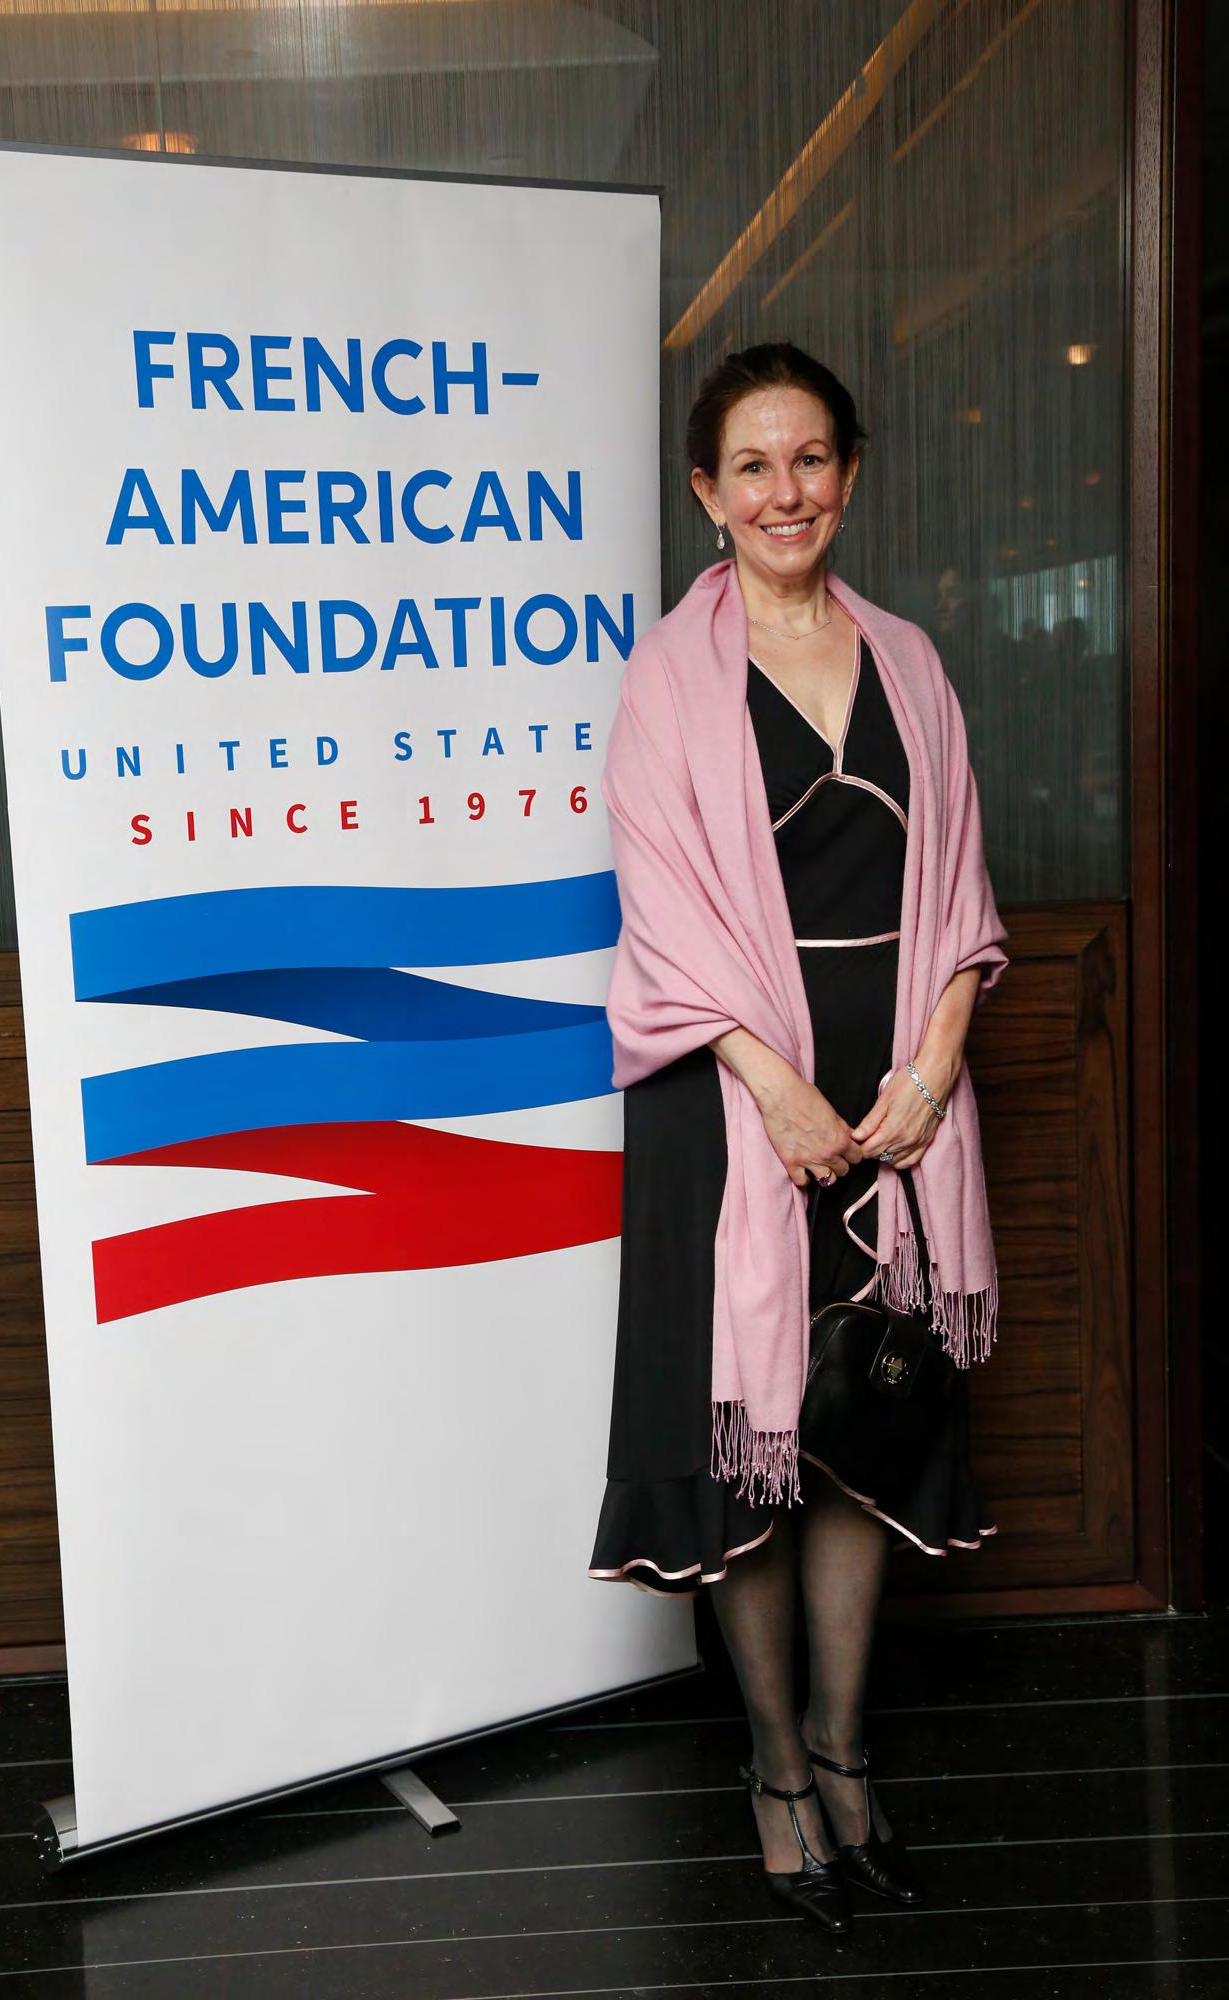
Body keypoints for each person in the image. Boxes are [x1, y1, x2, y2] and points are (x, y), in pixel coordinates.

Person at [588, 342, 1009, 1939]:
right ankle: (773, 1771)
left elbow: (961, 895)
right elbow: (663, 913)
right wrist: (775, 1090)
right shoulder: (665, 679)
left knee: (862, 1430)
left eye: (811, 458)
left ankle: (842, 1753)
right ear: (707, 493)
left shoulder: (909, 659)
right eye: (752, 466)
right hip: (728, 1108)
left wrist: (933, 1070)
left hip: (898, 1105)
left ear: (849, 473)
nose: (785, 491)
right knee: (752, 1448)